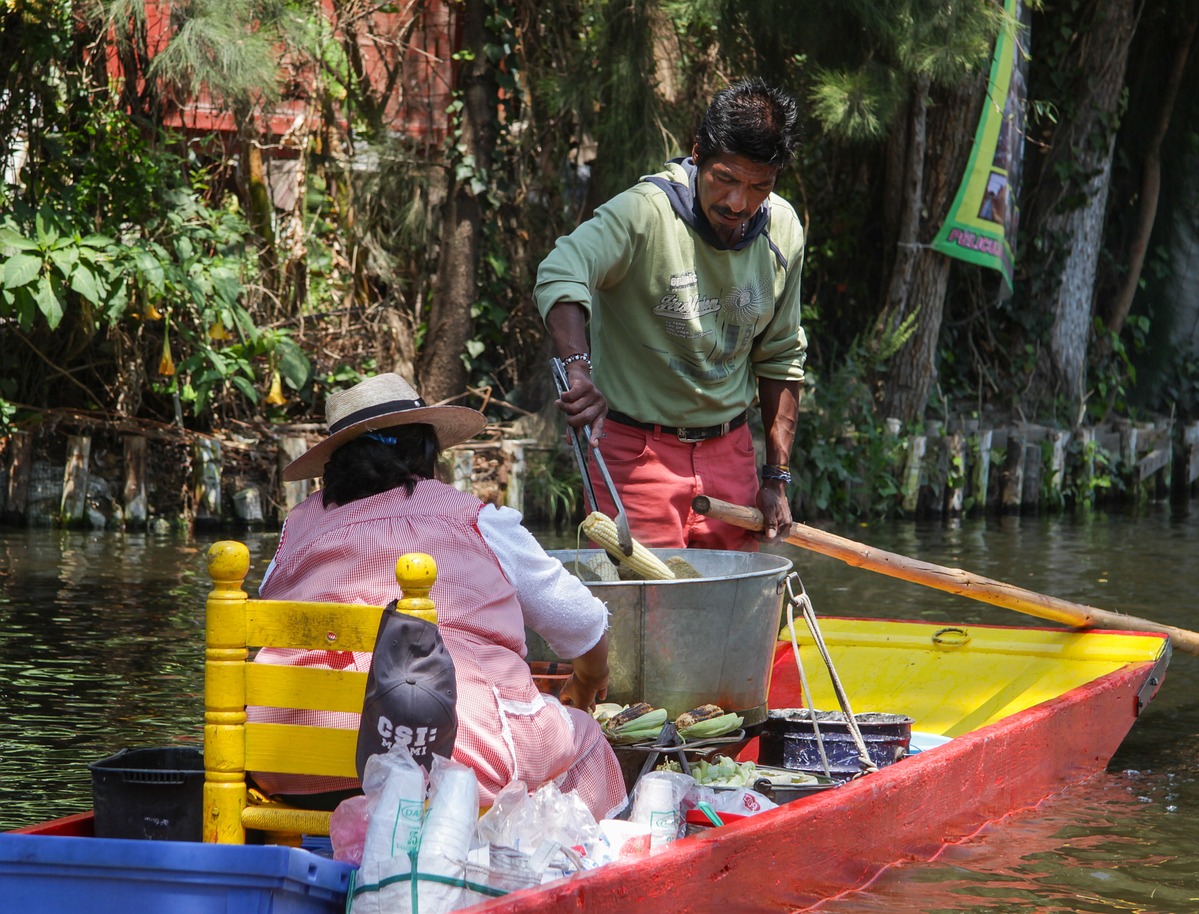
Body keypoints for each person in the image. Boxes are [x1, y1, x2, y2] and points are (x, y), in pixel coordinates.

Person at [249, 372, 626, 820]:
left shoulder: (296, 529)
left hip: (288, 762)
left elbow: (268, 610)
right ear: (428, 451)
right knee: (584, 739)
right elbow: (582, 623)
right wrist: (587, 680)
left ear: (336, 463)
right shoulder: (474, 520)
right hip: (442, 761)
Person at [535, 78, 807, 551]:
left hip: (731, 454)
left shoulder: (782, 228)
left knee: (729, 607)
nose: (738, 204)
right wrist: (579, 373)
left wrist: (776, 477)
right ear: (698, 153)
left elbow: (781, 357)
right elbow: (561, 272)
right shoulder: (643, 214)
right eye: (725, 177)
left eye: (758, 186)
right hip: (634, 457)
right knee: (641, 612)